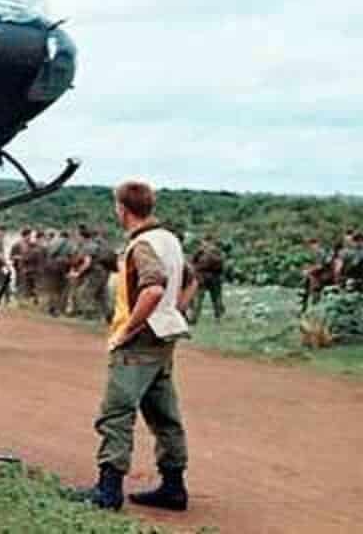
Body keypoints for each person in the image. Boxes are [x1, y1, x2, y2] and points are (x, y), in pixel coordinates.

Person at [80, 180, 198, 512]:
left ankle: (108, 490)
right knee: (164, 414)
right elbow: (190, 281)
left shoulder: (142, 245)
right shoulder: (168, 239)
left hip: (138, 343)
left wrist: (129, 329)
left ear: (122, 209)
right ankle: (173, 486)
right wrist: (171, 312)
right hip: (163, 340)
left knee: (116, 413)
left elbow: (153, 288)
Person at [189, 235, 226, 323]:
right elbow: (192, 261)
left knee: (212, 298)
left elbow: (220, 264)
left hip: (209, 277)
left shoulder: (212, 251)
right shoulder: (204, 251)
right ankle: (195, 318)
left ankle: (217, 317)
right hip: (207, 277)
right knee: (203, 298)